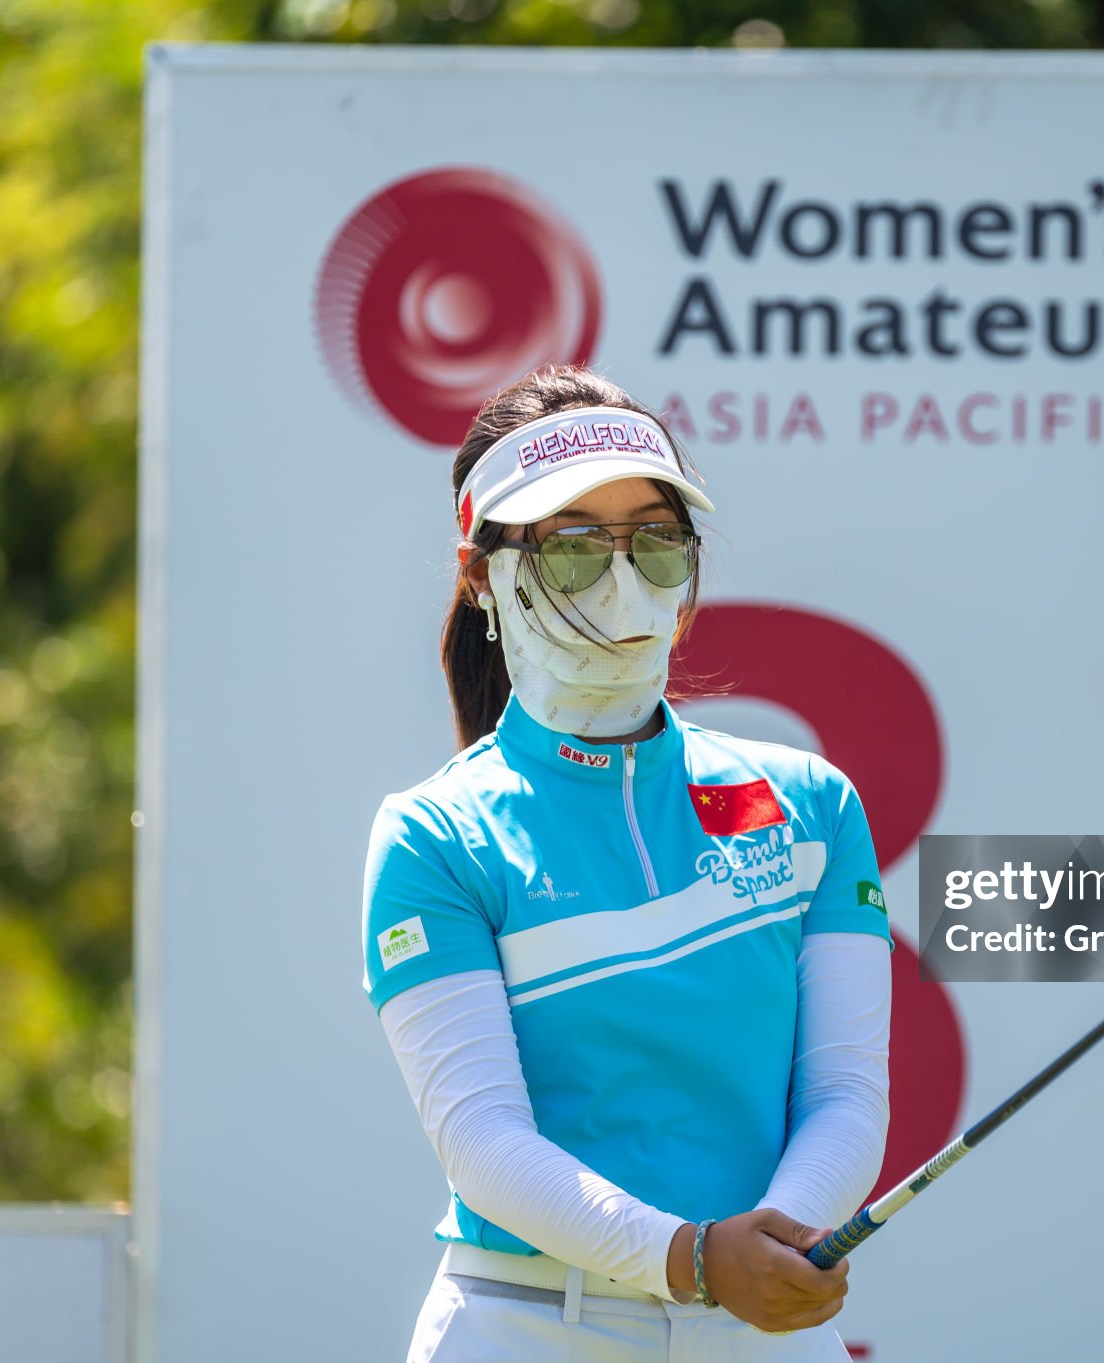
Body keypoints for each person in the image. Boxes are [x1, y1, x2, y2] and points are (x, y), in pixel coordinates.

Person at [361, 364, 894, 1361]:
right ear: (484, 571)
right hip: (522, 1322)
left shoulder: (812, 803)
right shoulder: (433, 833)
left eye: (653, 542)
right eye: (568, 548)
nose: (619, 583)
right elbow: (485, 1145)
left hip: (758, 1321)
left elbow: (842, 1092)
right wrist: (692, 1258)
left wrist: (764, 1247)